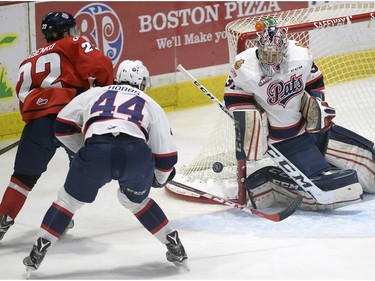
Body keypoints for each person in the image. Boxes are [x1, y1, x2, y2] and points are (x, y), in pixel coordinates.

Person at [22, 60, 188, 275]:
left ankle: (39, 250)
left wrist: (84, 148)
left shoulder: (94, 94)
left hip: (96, 152)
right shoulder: (150, 104)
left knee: (67, 201)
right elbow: (166, 157)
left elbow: (61, 125)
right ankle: (172, 241)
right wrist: (158, 178)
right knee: (134, 201)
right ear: (143, 83)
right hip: (135, 156)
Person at [224, 18, 374, 210]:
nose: (270, 59)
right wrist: (251, 117)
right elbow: (233, 97)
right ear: (258, 49)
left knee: (370, 158)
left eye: (275, 54)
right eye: (266, 54)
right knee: (338, 186)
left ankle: (326, 161)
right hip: (283, 140)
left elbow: (315, 82)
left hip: (312, 129)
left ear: (284, 50)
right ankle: (268, 182)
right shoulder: (244, 67)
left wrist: (316, 104)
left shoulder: (300, 57)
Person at [0, 11, 113, 241]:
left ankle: (3, 218)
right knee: (82, 169)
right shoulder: (72, 43)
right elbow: (102, 64)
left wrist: (41, 120)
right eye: (70, 29)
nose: (73, 33)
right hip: (69, 117)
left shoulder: (28, 60)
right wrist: (106, 90)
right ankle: (60, 217)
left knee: (22, 178)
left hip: (38, 124)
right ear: (63, 32)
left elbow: (23, 98)